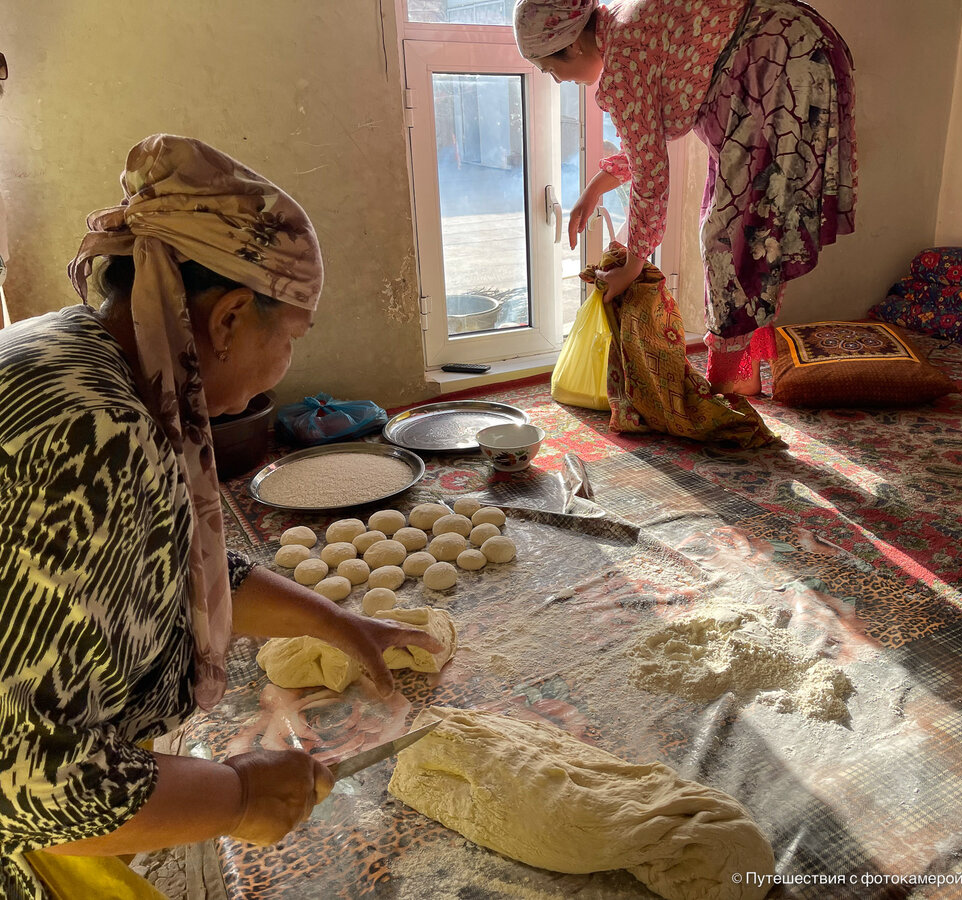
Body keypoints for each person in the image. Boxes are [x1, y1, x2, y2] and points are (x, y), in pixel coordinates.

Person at [0, 134, 442, 898]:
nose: (288, 365)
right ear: (232, 316)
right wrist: (238, 797)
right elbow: (37, 781)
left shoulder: (77, 346)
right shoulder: (97, 436)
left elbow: (178, 563)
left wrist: (340, 624)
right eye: (293, 338)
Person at [514, 0, 856, 396]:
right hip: (786, 47)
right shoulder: (623, 27)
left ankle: (734, 384)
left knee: (731, 236)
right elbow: (646, 145)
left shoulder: (623, 57)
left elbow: (651, 173)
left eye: (550, 69)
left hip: (776, 63)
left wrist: (632, 264)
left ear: (573, 46)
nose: (557, 80)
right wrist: (594, 189)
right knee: (736, 223)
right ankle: (741, 374)